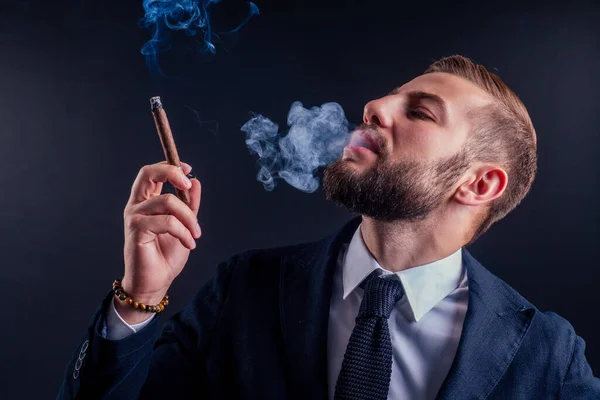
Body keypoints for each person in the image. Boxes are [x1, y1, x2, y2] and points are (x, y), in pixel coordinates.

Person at [57, 55, 600, 400]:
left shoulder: (546, 356)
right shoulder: (244, 291)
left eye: (421, 112)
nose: (375, 106)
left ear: (479, 185)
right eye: (391, 95)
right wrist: (139, 297)